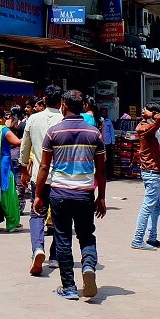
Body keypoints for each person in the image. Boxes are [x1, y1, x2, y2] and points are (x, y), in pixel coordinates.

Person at [34, 89, 107, 300]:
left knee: (63, 238)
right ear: (83, 106)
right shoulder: (95, 133)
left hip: (59, 193)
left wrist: (39, 195)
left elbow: (44, 168)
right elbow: (101, 170)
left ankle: (69, 287)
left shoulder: (53, 132)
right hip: (85, 194)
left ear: (63, 106)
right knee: (86, 236)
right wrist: (101, 197)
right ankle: (88, 267)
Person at [20, 84, 64, 275]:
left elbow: (24, 147)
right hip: (62, 177)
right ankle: (55, 256)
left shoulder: (33, 119)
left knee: (37, 212)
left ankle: (38, 248)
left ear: (44, 100)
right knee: (60, 217)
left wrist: (24, 169)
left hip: (39, 175)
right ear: (61, 101)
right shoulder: (65, 120)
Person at [131, 103, 160, 250]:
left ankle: (152, 237)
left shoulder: (146, 126)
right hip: (151, 172)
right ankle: (138, 239)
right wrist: (151, 115)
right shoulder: (146, 128)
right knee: (148, 207)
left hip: (152, 171)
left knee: (157, 207)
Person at [98, 106, 116, 176]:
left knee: (109, 160)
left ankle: (110, 174)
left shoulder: (109, 122)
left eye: (105, 113)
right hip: (101, 143)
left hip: (108, 143)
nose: (104, 114)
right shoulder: (98, 121)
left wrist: (113, 142)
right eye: (103, 113)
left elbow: (112, 132)